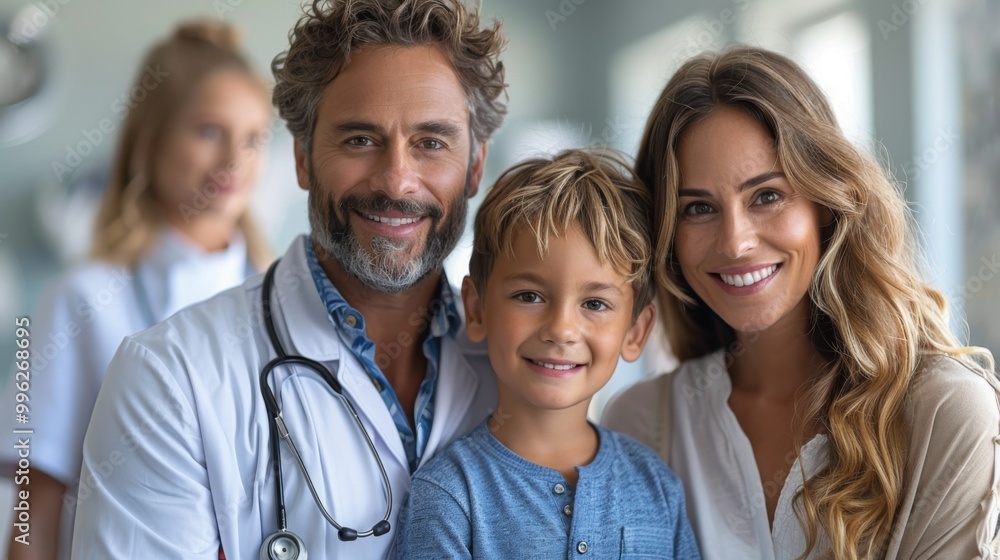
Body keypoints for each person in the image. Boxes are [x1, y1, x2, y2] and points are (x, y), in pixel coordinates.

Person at [70, 0, 508, 558]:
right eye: (359, 139)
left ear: (474, 166)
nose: (397, 181)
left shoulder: (520, 366)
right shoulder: (169, 380)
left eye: (431, 142)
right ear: (302, 158)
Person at [602, 46, 1000, 560]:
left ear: (827, 202)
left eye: (766, 195)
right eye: (698, 208)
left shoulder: (943, 413)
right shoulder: (640, 423)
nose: (736, 242)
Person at [1, 20, 272, 560]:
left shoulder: (281, 299)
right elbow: (33, 502)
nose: (233, 161)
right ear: (152, 140)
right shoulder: (79, 298)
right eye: (209, 131)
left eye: (254, 138)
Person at [395, 149, 701, 559]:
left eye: (594, 303)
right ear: (476, 309)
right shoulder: (449, 494)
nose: (561, 329)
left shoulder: (659, 488)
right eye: (529, 296)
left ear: (636, 331)